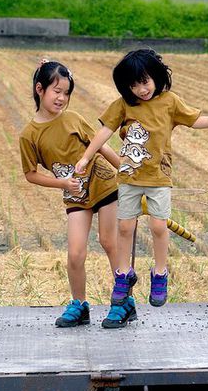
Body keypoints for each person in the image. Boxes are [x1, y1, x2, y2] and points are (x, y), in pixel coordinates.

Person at [75, 49, 208, 308]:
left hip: (159, 177)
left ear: (157, 76)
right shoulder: (124, 105)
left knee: (159, 227)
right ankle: (123, 275)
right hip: (128, 178)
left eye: (145, 81)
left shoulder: (170, 101)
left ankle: (160, 274)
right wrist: (85, 158)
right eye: (134, 85)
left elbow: (194, 120)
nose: (141, 89)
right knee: (125, 228)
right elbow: (105, 131)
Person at [18, 59, 137, 329]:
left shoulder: (73, 119)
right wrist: (62, 184)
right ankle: (79, 305)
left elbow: (101, 148)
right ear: (40, 89)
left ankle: (123, 303)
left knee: (109, 242)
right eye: (56, 91)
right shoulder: (29, 135)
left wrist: (128, 172)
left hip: (104, 185)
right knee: (75, 253)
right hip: (74, 196)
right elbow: (30, 174)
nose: (62, 98)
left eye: (67, 93)